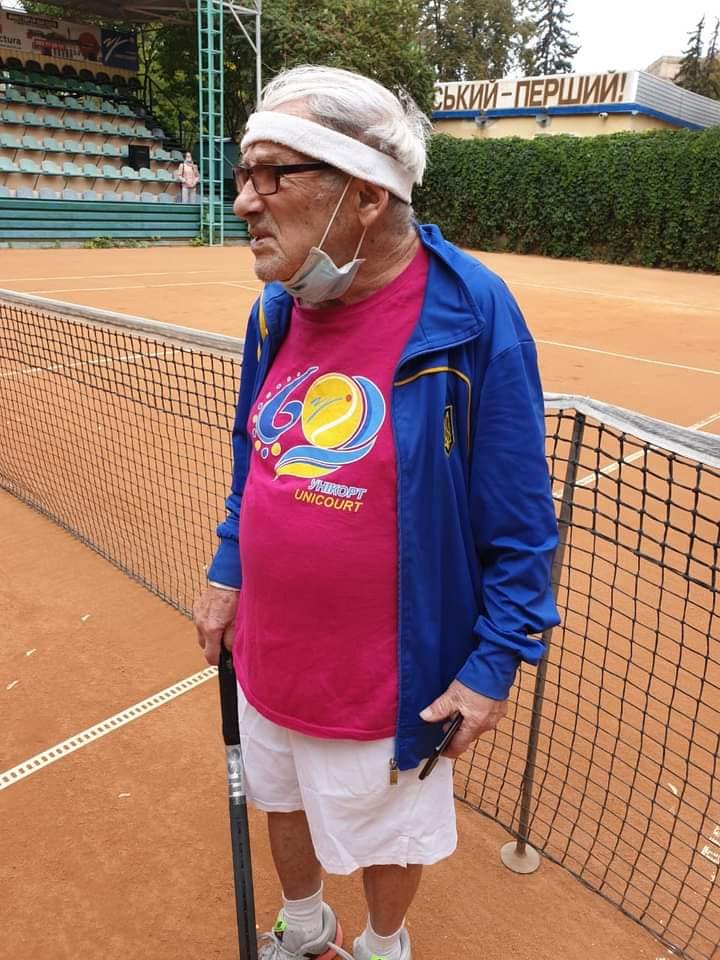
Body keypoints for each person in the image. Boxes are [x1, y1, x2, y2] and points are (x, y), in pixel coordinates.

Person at [193, 65, 560, 960]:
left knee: (391, 834)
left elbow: (522, 524)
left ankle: (382, 944)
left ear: (364, 194)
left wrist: (493, 666)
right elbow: (254, 451)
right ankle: (305, 924)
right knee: (277, 796)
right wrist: (229, 568)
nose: (245, 201)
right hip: (269, 648)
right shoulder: (276, 311)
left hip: (389, 676)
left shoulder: (471, 314)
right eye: (244, 175)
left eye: (274, 174)